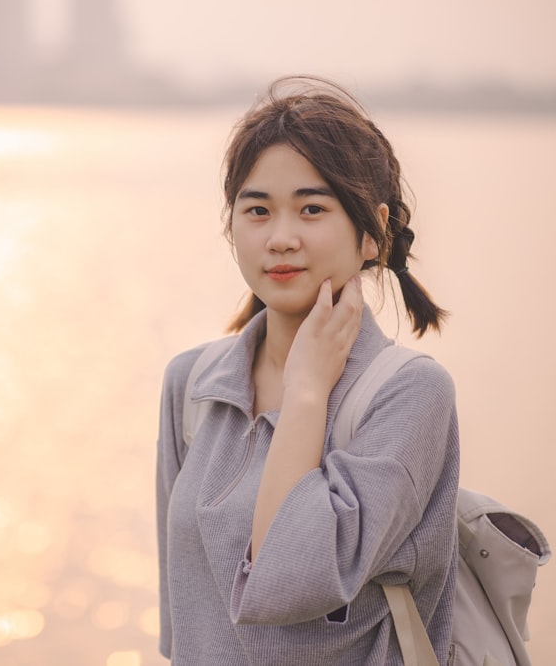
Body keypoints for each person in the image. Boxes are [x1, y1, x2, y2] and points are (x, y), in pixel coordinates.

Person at [156, 77, 460, 665]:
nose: (281, 238)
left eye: (312, 208)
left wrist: (306, 392)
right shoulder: (192, 385)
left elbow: (293, 578)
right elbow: (182, 625)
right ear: (232, 226)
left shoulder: (409, 394)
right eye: (258, 211)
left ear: (373, 233)